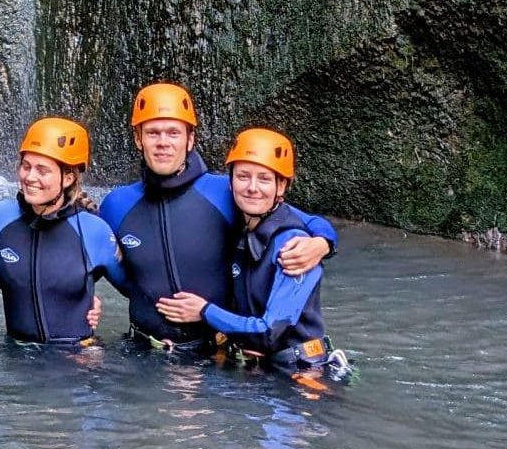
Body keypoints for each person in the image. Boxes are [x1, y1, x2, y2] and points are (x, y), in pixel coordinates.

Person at [98, 83, 337, 353]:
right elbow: (85, 251)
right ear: (138, 139)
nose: (163, 142)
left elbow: (305, 221)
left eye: (173, 132)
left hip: (213, 356)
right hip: (142, 353)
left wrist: (323, 243)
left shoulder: (226, 192)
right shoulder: (117, 204)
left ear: (190, 139)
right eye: (153, 133)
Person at [155, 129, 347, 380]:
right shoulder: (244, 229)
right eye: (243, 176)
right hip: (263, 370)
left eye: (264, 179)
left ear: (281, 186)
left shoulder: (294, 247)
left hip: (301, 375)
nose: (252, 188)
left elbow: (268, 334)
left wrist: (204, 311)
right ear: (231, 182)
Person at [0, 118, 122, 346]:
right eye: (26, 166)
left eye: (42, 170)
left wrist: (90, 298)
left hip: (75, 357)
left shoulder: (94, 231)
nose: (30, 177)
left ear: (68, 178)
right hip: (17, 355)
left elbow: (138, 290)